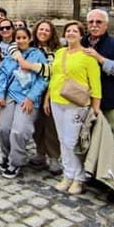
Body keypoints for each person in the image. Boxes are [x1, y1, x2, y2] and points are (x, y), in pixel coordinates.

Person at [46, 20, 101, 195]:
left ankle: (79, 177)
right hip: (57, 100)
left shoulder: (87, 56)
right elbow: (54, 77)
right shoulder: (60, 53)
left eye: (74, 31)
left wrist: (95, 108)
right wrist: (47, 99)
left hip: (76, 104)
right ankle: (68, 174)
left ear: (81, 35)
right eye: (68, 31)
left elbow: (96, 84)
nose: (70, 33)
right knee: (62, 140)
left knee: (72, 142)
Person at [0, 27, 48, 179]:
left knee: (19, 130)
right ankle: (7, 155)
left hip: (28, 98)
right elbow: (2, 75)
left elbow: (43, 79)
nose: (21, 40)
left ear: (29, 39)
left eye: (24, 37)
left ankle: (15, 162)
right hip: (10, 95)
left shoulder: (37, 55)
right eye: (18, 38)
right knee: (4, 128)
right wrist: (0, 95)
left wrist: (31, 97)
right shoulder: (11, 56)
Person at [17, 20, 62, 177]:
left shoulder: (57, 51)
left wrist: (47, 97)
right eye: (41, 29)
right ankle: (40, 153)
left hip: (50, 92)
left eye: (47, 30)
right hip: (33, 92)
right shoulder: (30, 49)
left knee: (51, 126)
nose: (43, 32)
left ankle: (54, 157)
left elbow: (53, 73)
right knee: (37, 125)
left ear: (52, 33)